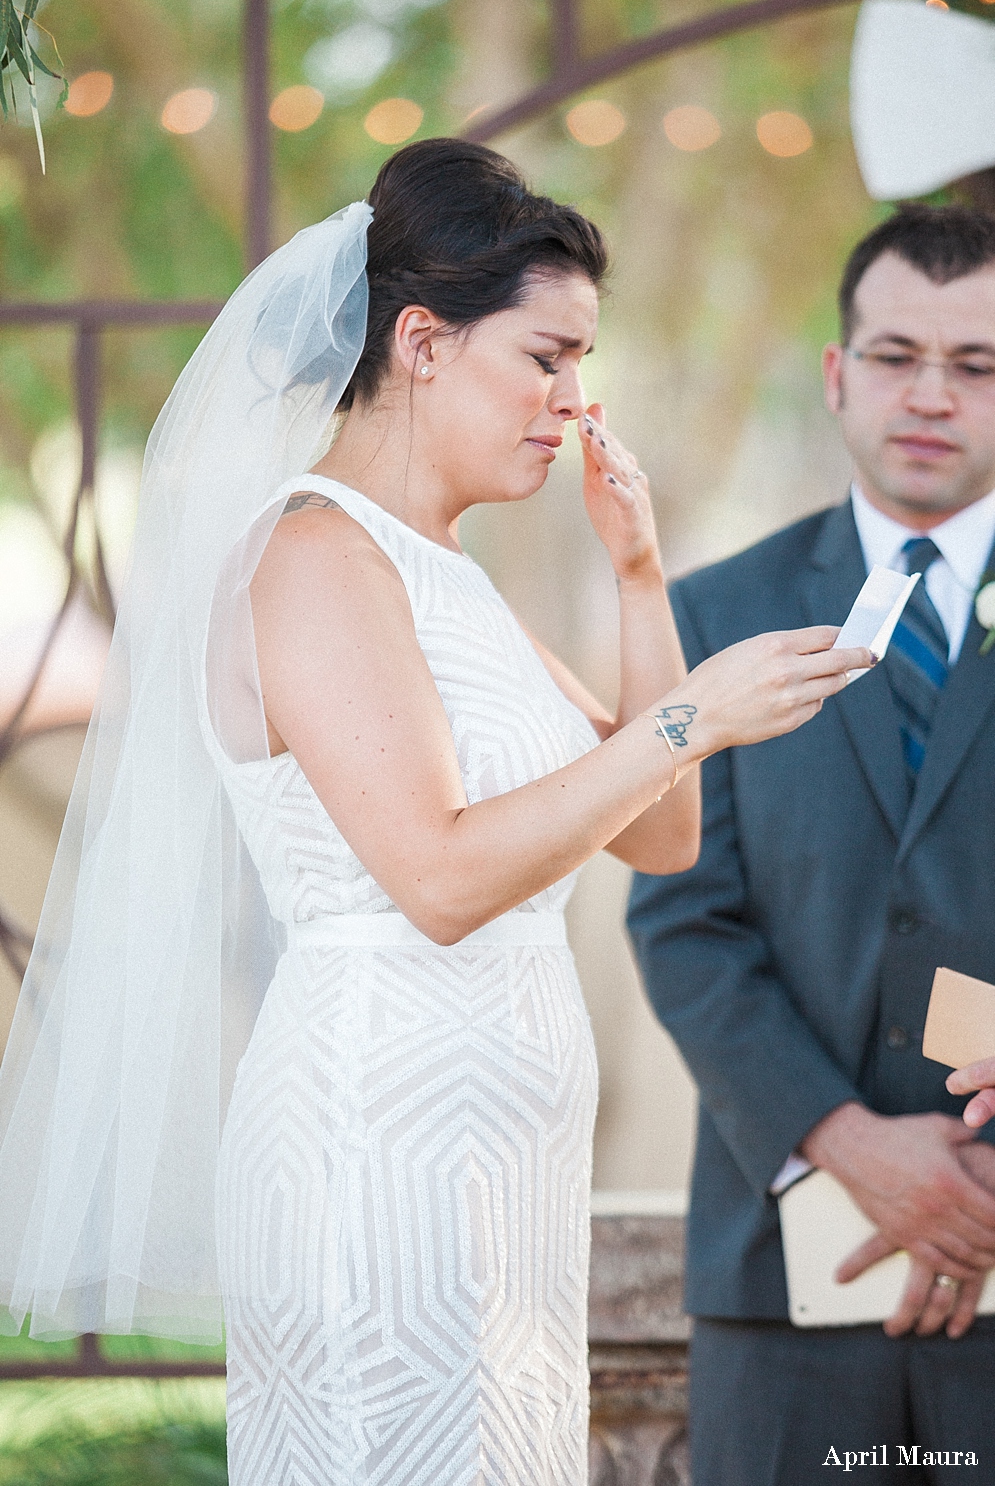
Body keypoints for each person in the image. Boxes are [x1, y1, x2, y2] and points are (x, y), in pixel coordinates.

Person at [0, 139, 868, 1486]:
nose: (573, 403)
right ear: (418, 341)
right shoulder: (312, 556)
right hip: (378, 1151)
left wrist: (638, 581)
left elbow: (658, 833)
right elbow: (441, 880)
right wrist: (694, 712)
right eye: (544, 357)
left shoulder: (448, 575)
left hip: (502, 1174)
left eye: (581, 365)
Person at [628, 202, 995, 1486]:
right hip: (780, 1277)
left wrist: (971, 1190)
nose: (930, 395)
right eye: (896, 356)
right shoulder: (712, 610)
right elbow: (680, 918)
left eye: (976, 364)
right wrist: (846, 1142)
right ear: (838, 377)